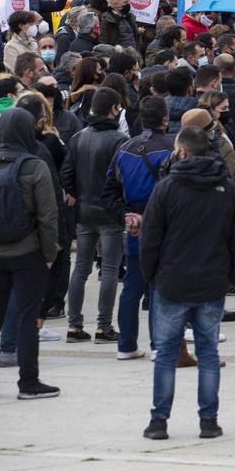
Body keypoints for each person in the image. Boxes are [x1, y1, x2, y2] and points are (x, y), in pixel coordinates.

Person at [140, 127, 235, 439]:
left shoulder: (167, 188)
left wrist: (152, 276)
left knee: (165, 354)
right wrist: (231, 276)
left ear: (184, 152)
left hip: (172, 281)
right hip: (211, 283)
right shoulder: (227, 188)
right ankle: (209, 421)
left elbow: (150, 237)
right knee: (209, 353)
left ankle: (159, 421)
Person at [0, 108, 60, 400]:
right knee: (26, 317)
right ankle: (28, 382)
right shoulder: (34, 166)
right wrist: (49, 254)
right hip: (28, 252)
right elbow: (48, 217)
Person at [105, 96, 174, 361]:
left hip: (133, 224)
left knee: (133, 284)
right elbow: (175, 189)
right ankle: (159, 344)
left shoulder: (124, 149)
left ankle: (126, 344)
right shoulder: (171, 147)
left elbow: (108, 190)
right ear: (164, 119)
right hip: (162, 225)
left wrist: (125, 215)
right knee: (158, 286)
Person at [61, 86, 128, 343]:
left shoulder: (79, 137)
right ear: (113, 109)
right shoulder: (119, 140)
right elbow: (122, 178)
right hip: (110, 211)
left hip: (84, 210)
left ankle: (74, 326)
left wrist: (75, 193)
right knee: (110, 268)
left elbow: (66, 173)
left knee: (80, 268)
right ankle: (103, 326)